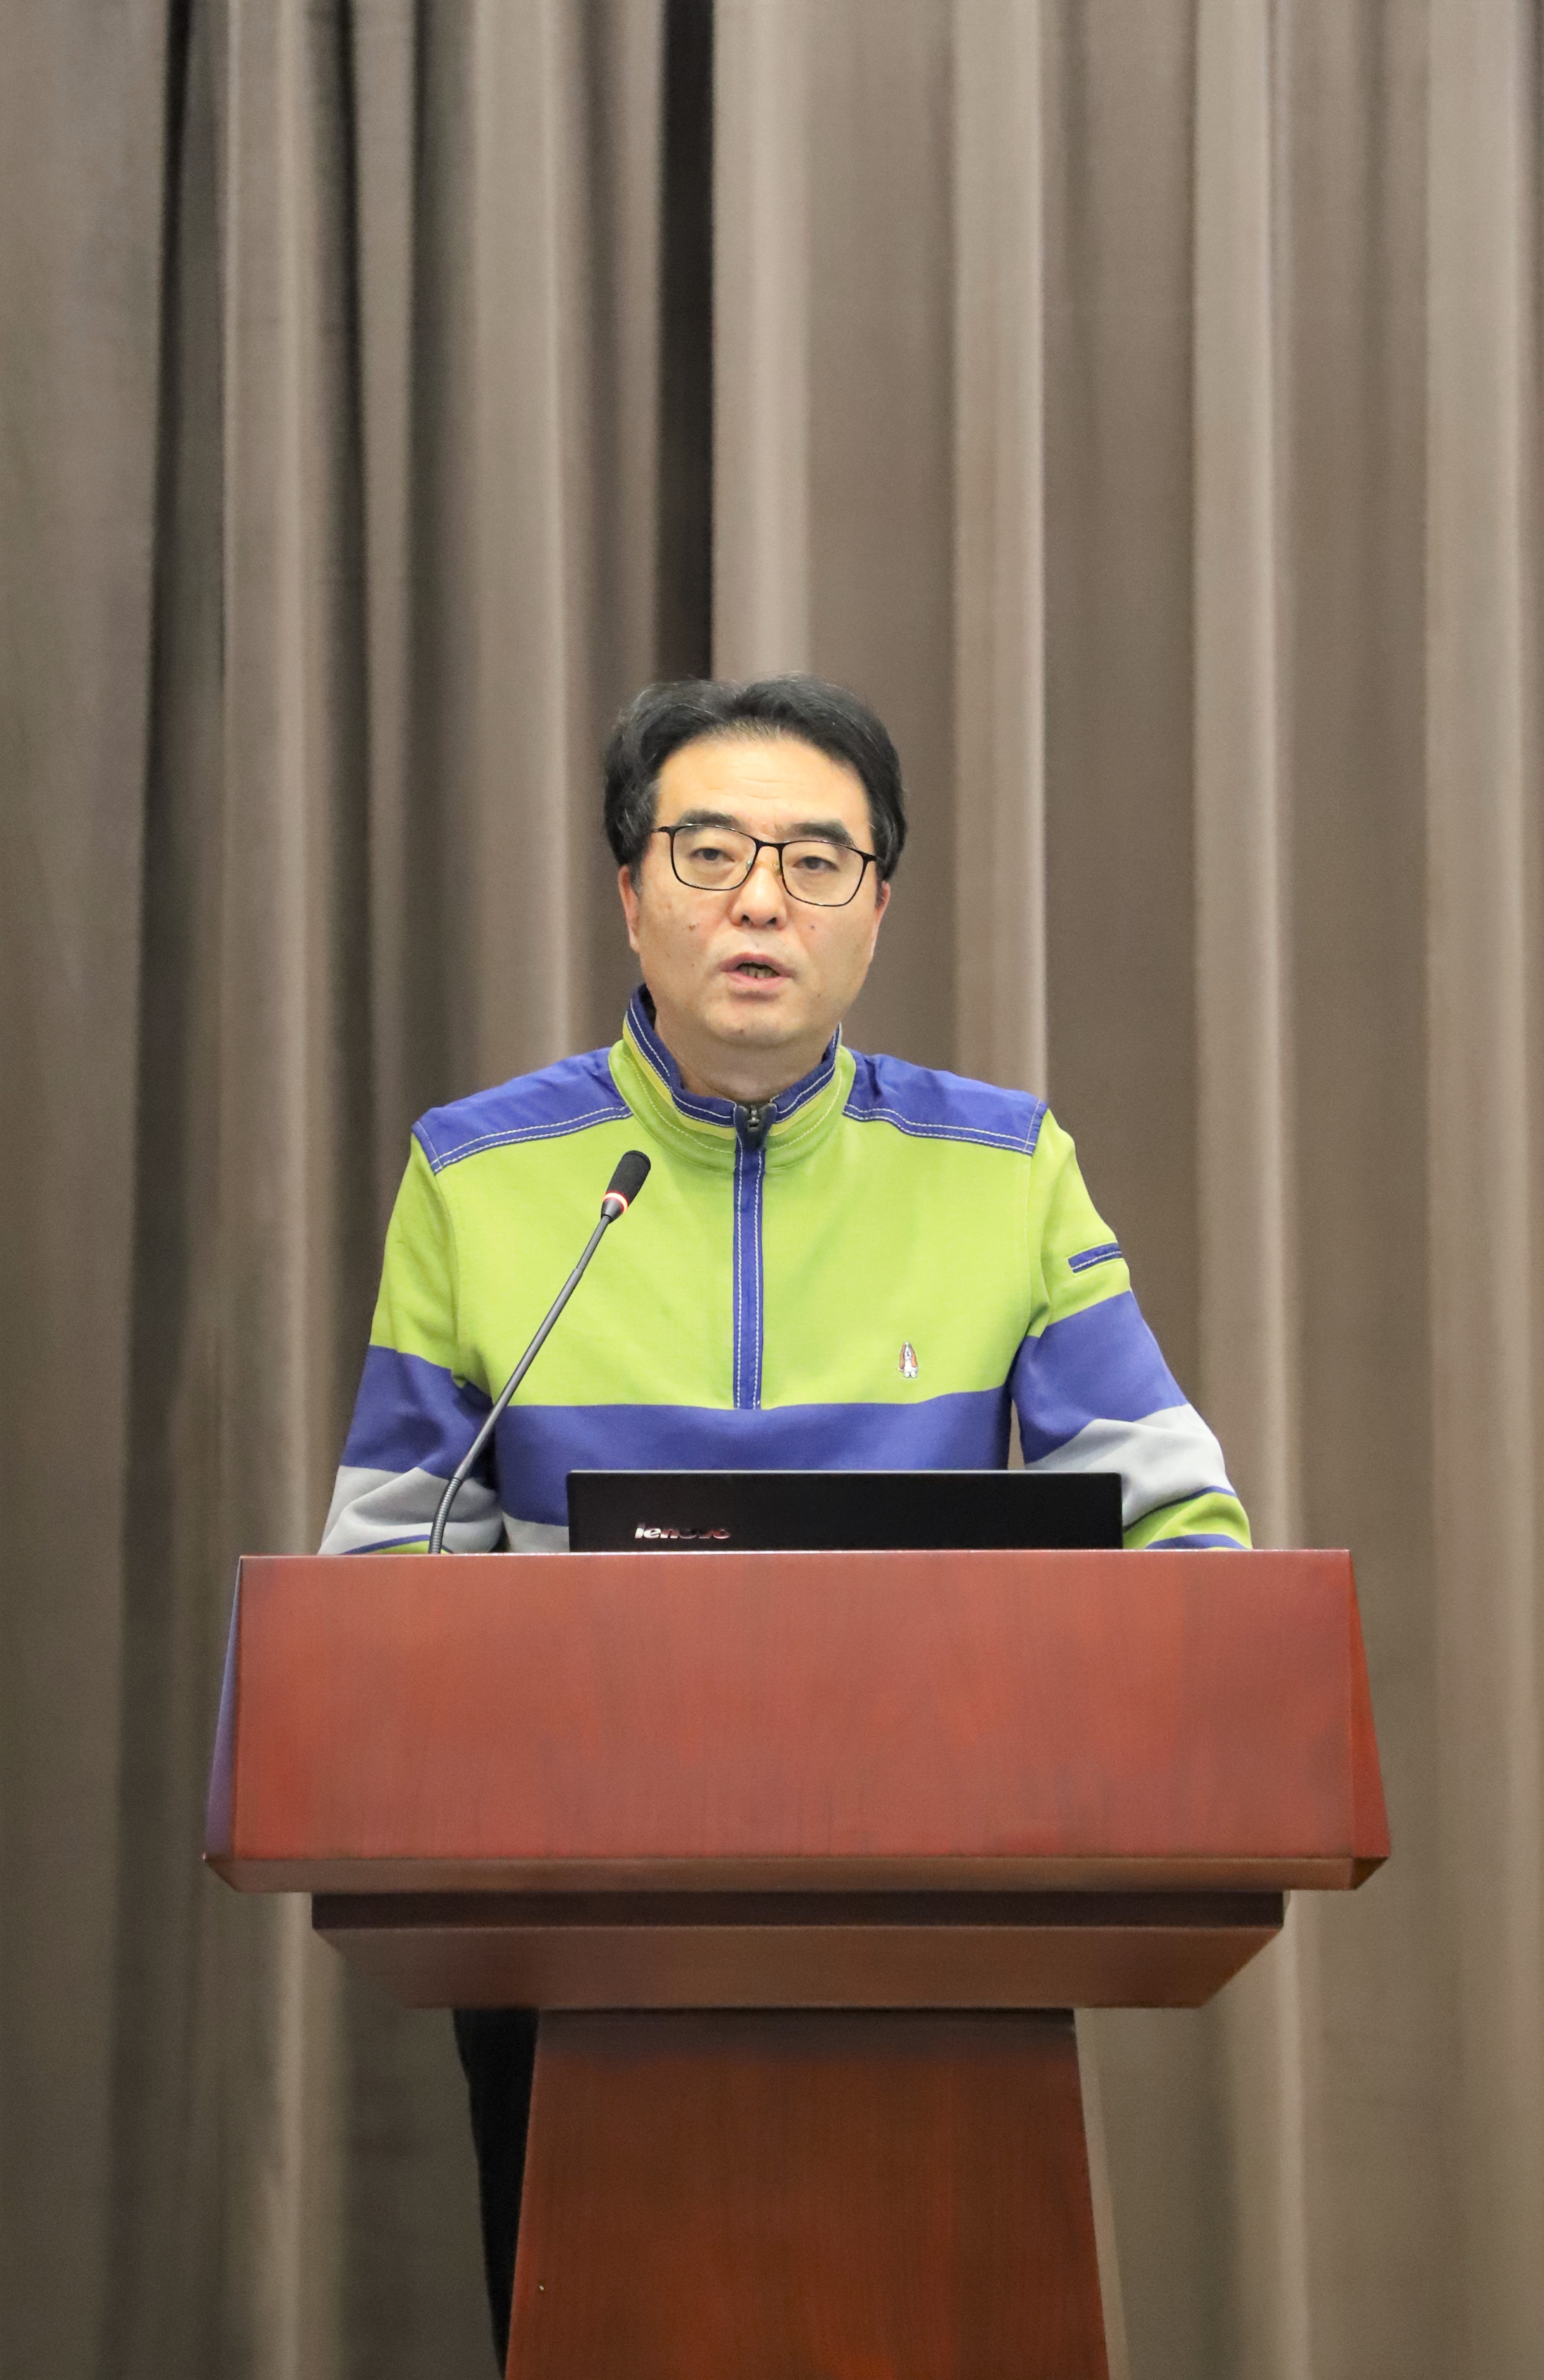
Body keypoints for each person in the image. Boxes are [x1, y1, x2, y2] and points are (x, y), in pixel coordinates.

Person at [321, 673, 1251, 2365]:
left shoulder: (1005, 1169)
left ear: (875, 910)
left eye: (818, 860)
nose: (761, 900)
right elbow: (388, 1570)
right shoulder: (478, 1174)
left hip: (936, 1914)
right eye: (710, 852)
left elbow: (1177, 1516)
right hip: (573, 1941)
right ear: (630, 889)